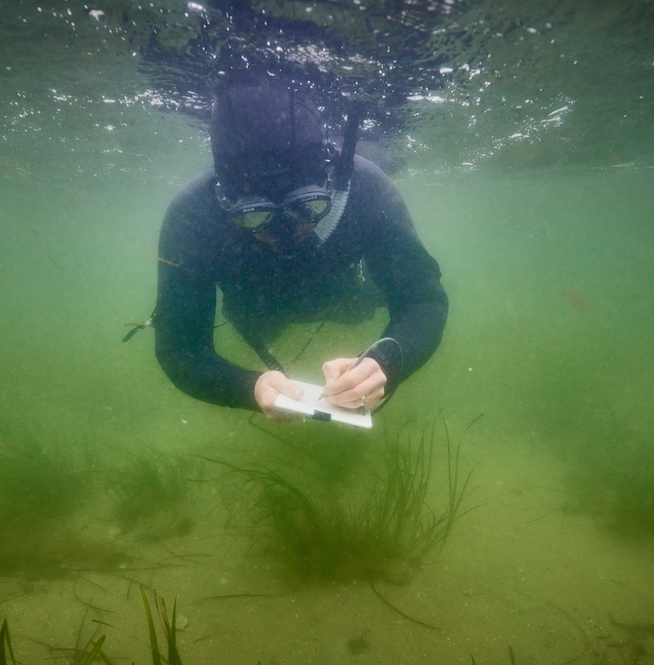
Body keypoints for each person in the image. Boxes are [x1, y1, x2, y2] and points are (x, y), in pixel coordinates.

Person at [152, 76, 447, 420]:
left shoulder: (364, 187)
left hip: (342, 296)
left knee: (357, 304)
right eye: (254, 216)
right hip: (258, 314)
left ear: (330, 183)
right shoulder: (194, 214)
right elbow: (180, 349)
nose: (284, 232)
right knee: (263, 320)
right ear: (224, 199)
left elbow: (423, 300)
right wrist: (249, 387)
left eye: (306, 207)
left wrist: (386, 363)